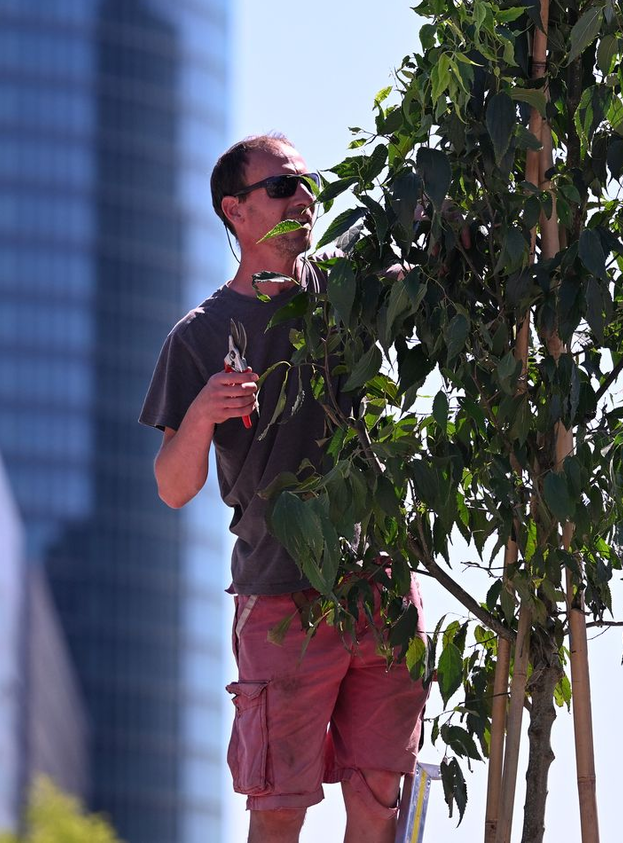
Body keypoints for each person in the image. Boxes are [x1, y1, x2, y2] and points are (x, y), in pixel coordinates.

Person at [140, 132, 428, 843]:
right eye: (282, 187)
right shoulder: (199, 337)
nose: (303, 199)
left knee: (382, 790)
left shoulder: (345, 288)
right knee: (278, 805)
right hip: (279, 594)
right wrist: (202, 414)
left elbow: (417, 223)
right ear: (234, 209)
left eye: (307, 186)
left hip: (380, 579)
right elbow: (174, 487)